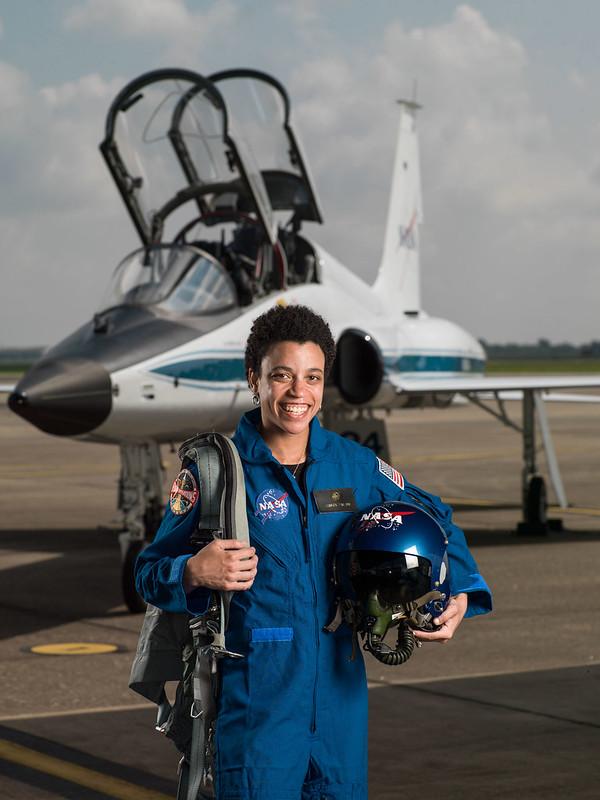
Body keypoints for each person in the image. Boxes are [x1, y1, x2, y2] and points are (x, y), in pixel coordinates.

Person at [135, 304, 492, 800]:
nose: (298, 393)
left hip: (339, 701)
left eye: (313, 377)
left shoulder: (355, 466)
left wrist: (462, 594)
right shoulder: (216, 475)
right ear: (254, 379)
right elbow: (149, 572)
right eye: (282, 376)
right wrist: (193, 571)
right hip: (258, 703)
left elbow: (436, 519)